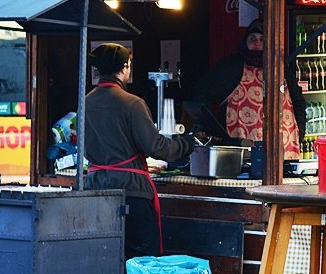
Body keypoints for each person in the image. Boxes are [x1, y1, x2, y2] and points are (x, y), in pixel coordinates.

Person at [85, 43, 192, 260]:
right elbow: (157, 147)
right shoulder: (132, 103)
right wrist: (186, 144)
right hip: (131, 192)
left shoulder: (84, 102)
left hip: (95, 189)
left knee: (106, 257)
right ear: (125, 67)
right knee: (141, 260)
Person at [189, 19, 305, 158]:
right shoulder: (231, 67)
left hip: (283, 144)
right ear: (245, 42)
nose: (257, 43)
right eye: (252, 39)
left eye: (263, 39)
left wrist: (300, 133)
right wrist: (206, 128)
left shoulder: (281, 69)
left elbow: (298, 101)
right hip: (242, 143)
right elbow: (201, 93)